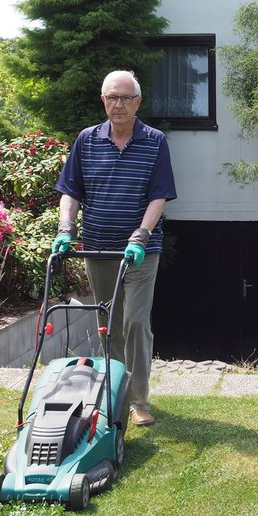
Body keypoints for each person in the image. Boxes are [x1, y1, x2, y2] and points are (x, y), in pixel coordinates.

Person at [52, 70, 177, 426]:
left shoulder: (155, 142)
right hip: (97, 248)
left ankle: (139, 401)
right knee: (110, 323)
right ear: (103, 100)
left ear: (138, 102)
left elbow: (159, 196)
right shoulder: (86, 140)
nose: (118, 104)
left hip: (140, 251)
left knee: (136, 322)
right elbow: (71, 191)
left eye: (125, 98)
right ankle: (114, 393)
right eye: (112, 97)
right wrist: (65, 229)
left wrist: (141, 235)